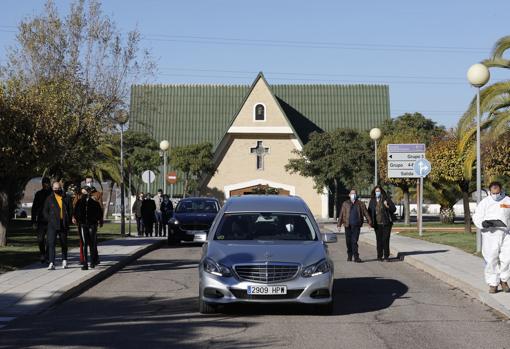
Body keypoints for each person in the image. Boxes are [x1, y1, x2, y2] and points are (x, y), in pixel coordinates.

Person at [473, 181, 510, 294]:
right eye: (492, 189)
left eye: (496, 188)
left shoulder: (507, 201)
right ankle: (493, 283)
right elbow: (477, 216)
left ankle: (504, 280)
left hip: (506, 234)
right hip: (490, 235)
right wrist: (483, 223)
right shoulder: (485, 202)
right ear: (490, 190)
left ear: (500, 189)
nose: (495, 191)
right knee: (491, 259)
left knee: (507, 258)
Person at [42, 181, 72, 270]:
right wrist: (49, 219)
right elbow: (45, 211)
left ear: (61, 187)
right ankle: (51, 262)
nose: (56, 190)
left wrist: (68, 219)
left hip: (63, 224)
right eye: (55, 188)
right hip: (52, 225)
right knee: (51, 244)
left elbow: (70, 210)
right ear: (52, 188)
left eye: (58, 188)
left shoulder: (66, 198)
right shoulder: (49, 198)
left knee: (64, 243)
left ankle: (64, 260)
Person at [337, 189, 372, 263]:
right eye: (352, 193)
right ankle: (349, 255)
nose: (353, 195)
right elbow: (341, 214)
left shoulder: (361, 204)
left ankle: (356, 257)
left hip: (356, 225)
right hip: (347, 225)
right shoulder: (345, 203)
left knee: (354, 241)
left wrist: (370, 222)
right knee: (348, 242)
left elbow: (366, 213)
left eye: (354, 193)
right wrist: (339, 225)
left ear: (356, 195)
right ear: (349, 195)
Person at [73, 186, 103, 270]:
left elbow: (99, 213)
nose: (84, 194)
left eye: (85, 192)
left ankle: (92, 262)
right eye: (82, 193)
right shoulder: (79, 202)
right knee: (85, 243)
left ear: (89, 192)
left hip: (92, 224)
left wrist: (95, 219)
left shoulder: (94, 202)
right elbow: (75, 212)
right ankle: (85, 263)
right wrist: (79, 219)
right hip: (83, 224)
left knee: (92, 243)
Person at [368, 186, 397, 262]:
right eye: (376, 191)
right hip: (377, 224)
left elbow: (394, 209)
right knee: (379, 240)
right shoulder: (372, 201)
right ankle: (379, 256)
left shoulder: (386, 199)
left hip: (386, 223)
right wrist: (370, 222)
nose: (377, 192)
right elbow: (369, 212)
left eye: (379, 191)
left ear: (381, 192)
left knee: (386, 239)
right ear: (374, 192)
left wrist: (387, 206)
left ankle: (386, 256)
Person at [31, 177, 52, 263]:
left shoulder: (53, 193)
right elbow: (34, 208)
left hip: (51, 220)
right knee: (40, 239)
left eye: (47, 183)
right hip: (41, 220)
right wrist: (33, 221)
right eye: (44, 183)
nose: (45, 184)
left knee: (50, 240)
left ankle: (47, 255)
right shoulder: (38, 194)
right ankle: (42, 254)